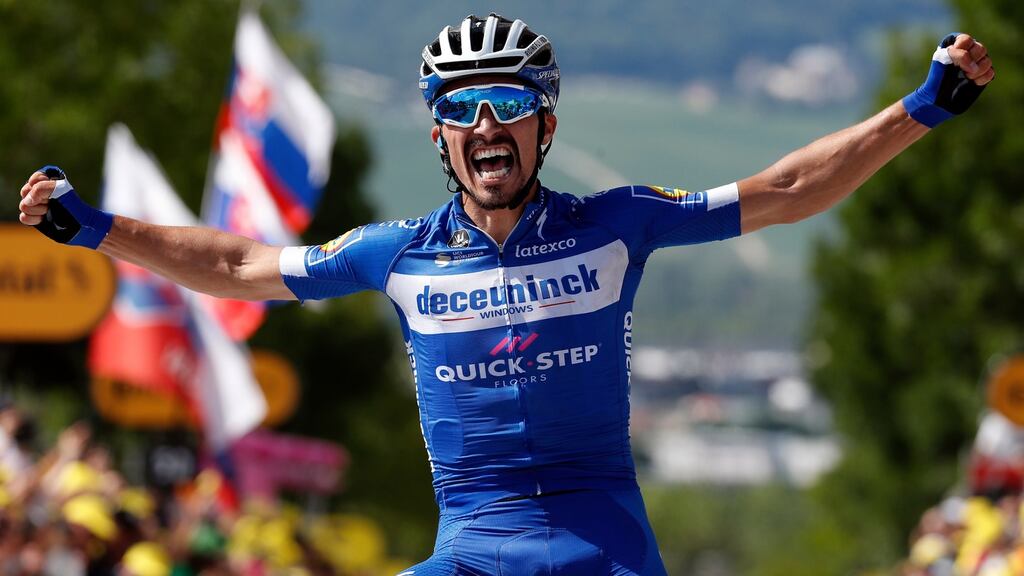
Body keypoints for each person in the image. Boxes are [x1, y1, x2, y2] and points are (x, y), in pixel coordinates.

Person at [18, 13, 995, 576]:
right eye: (460, 109)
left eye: (512, 104)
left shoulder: (618, 223)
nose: (487, 123)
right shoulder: (395, 254)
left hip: (600, 551)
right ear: (438, 138)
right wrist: (96, 227)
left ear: (547, 124)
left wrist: (920, 111)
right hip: (471, 553)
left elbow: (786, 190)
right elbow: (237, 267)